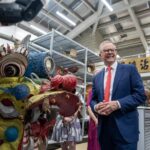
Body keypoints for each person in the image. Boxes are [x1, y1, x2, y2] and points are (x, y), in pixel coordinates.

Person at [90, 40, 146, 150]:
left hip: (126, 129)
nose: (110, 52)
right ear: (100, 54)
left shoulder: (130, 70)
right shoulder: (97, 77)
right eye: (106, 50)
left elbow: (140, 95)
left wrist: (118, 104)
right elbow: (93, 99)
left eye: (113, 50)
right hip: (104, 129)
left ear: (116, 52)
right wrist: (96, 107)